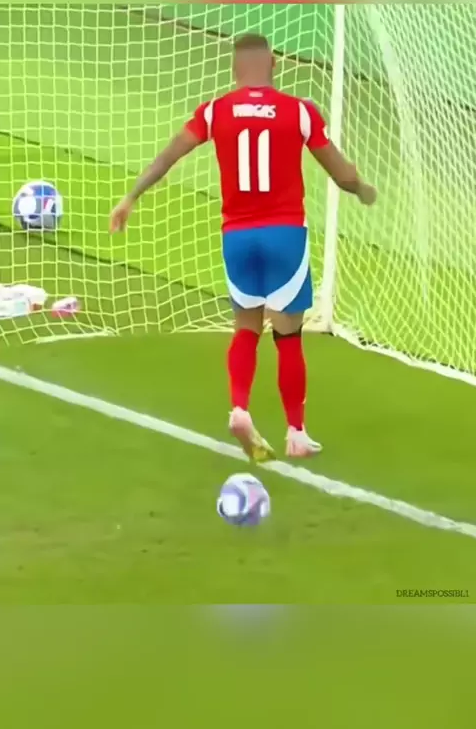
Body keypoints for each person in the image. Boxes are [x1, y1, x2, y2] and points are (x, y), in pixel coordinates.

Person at [110, 33, 376, 462]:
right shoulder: (300, 111)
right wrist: (362, 188)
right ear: (274, 64)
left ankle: (239, 407)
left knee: (246, 328)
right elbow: (342, 176)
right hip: (284, 235)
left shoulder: (215, 111)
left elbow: (168, 156)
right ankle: (296, 432)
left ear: (235, 69)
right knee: (288, 337)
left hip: (237, 236)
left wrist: (130, 197)